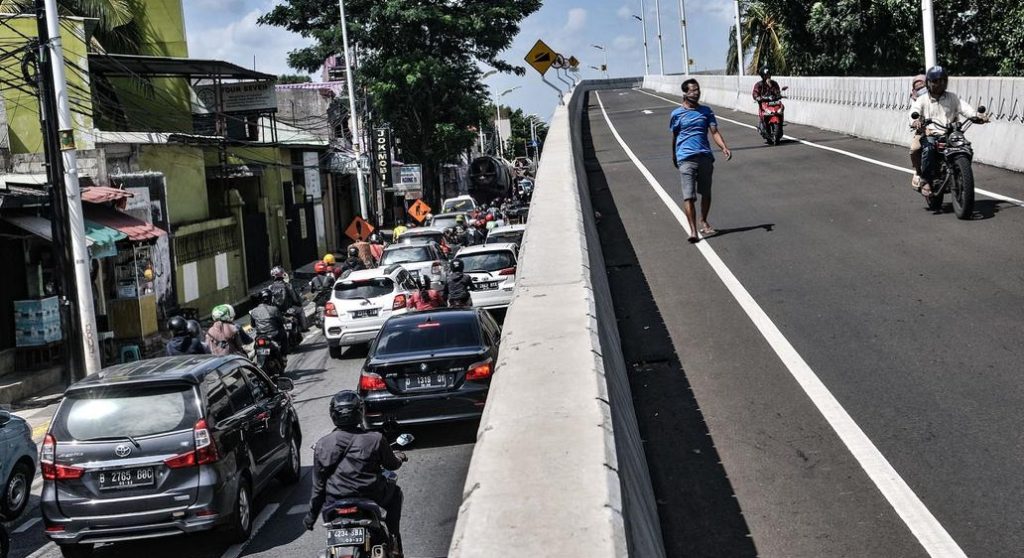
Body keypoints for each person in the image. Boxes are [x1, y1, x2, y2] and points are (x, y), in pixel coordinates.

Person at [304, 391, 407, 555]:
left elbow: (318, 485)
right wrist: (399, 457)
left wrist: (310, 517)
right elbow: (392, 465)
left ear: (333, 414)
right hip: (371, 495)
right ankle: (394, 543)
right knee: (396, 494)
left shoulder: (322, 444)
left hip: (334, 502)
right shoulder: (375, 439)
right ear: (360, 412)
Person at [669, 78, 732, 243]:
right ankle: (693, 231)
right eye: (693, 90)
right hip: (685, 158)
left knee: (706, 193)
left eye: (698, 90)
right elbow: (675, 136)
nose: (696, 93)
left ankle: (703, 220)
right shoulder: (676, 114)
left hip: (704, 156)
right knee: (688, 196)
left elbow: (714, 132)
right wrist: (674, 155)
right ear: (685, 93)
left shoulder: (706, 111)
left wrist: (723, 147)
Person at [909, 66, 988, 196]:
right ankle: (926, 180)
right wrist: (916, 120)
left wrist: (976, 116)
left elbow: (964, 107)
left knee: (966, 147)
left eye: (942, 80)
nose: (939, 84)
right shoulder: (923, 99)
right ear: (929, 82)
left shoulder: (952, 97)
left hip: (952, 133)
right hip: (932, 134)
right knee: (928, 149)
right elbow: (915, 110)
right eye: (935, 81)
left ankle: (961, 173)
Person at [269, 266, 307, 332]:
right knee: (300, 310)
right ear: (282, 274)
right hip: (288, 309)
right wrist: (300, 301)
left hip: (277, 311)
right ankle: (304, 328)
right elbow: (295, 299)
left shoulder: (270, 287)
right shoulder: (288, 285)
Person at [250, 288, 288, 353]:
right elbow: (281, 321)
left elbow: (253, 325)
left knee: (256, 347)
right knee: (283, 332)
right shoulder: (274, 309)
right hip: (274, 335)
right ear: (270, 299)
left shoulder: (253, 311)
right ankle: (284, 355)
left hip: (260, 337)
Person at [908, 72, 928, 191]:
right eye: (918, 88)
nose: (921, 90)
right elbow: (912, 113)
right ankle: (918, 171)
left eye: (923, 87)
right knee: (915, 149)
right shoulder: (916, 100)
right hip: (924, 130)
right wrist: (915, 122)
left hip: (941, 130)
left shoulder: (937, 96)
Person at [752, 67, 783, 138]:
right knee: (763, 114)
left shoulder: (774, 84)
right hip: (764, 104)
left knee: (782, 107)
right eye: (766, 75)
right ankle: (763, 127)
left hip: (774, 103)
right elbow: (755, 93)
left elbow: (778, 92)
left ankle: (780, 125)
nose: (768, 77)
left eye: (769, 75)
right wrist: (757, 97)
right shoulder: (759, 85)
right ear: (762, 76)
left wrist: (776, 92)